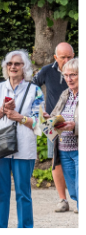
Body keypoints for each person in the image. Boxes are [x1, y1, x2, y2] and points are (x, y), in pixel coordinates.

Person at [0, 50, 44, 228]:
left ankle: (25, 229)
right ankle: (0, 228)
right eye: (9, 63)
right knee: (1, 192)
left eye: (17, 63)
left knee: (23, 193)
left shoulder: (35, 90)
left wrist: (19, 117)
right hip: (1, 146)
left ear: (25, 67)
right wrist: (1, 112)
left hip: (24, 148)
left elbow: (40, 123)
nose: (13, 66)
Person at [33, 42, 75, 212]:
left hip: (76, 121)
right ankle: (62, 200)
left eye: (69, 57)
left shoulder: (80, 69)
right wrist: (39, 108)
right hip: (52, 122)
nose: (66, 60)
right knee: (56, 161)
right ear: (55, 57)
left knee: (78, 158)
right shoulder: (47, 71)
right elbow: (31, 88)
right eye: (62, 57)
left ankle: (80, 198)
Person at [45, 57, 78, 212]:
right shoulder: (65, 94)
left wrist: (75, 126)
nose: (69, 79)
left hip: (79, 148)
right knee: (72, 187)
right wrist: (49, 119)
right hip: (63, 149)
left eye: (73, 75)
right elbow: (55, 115)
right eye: (66, 75)